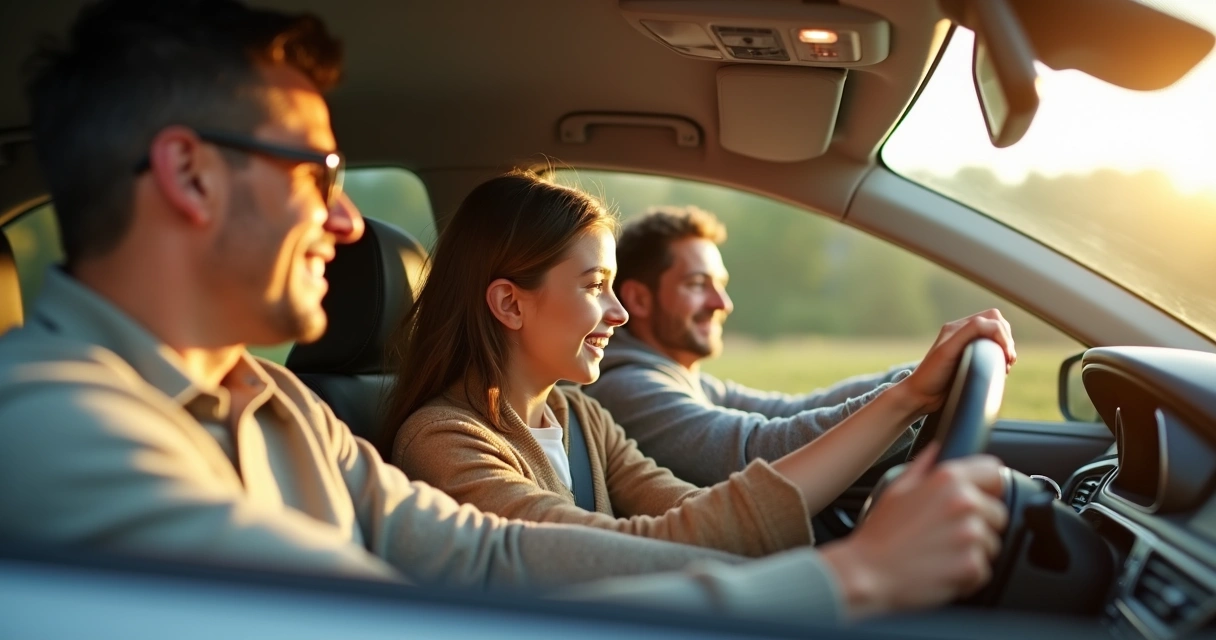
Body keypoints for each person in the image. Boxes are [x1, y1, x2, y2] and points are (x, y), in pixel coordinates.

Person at [0, 0, 1008, 625]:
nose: (348, 220)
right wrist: (853, 582)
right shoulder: (49, 424)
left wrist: (844, 554)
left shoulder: (272, 398)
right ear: (188, 173)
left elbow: (483, 556)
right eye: (320, 172)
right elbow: (405, 621)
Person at [384, 171, 1015, 564]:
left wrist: (910, 389)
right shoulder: (445, 442)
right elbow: (625, 553)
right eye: (595, 286)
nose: (618, 313)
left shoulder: (583, 419)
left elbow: (702, 510)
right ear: (509, 303)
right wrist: (903, 399)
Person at [584, 206, 919, 487]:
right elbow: (754, 451)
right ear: (639, 299)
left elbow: (794, 409)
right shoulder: (629, 387)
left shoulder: (683, 379)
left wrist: (915, 373)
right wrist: (909, 398)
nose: (722, 303)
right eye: (698, 284)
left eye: (721, 285)